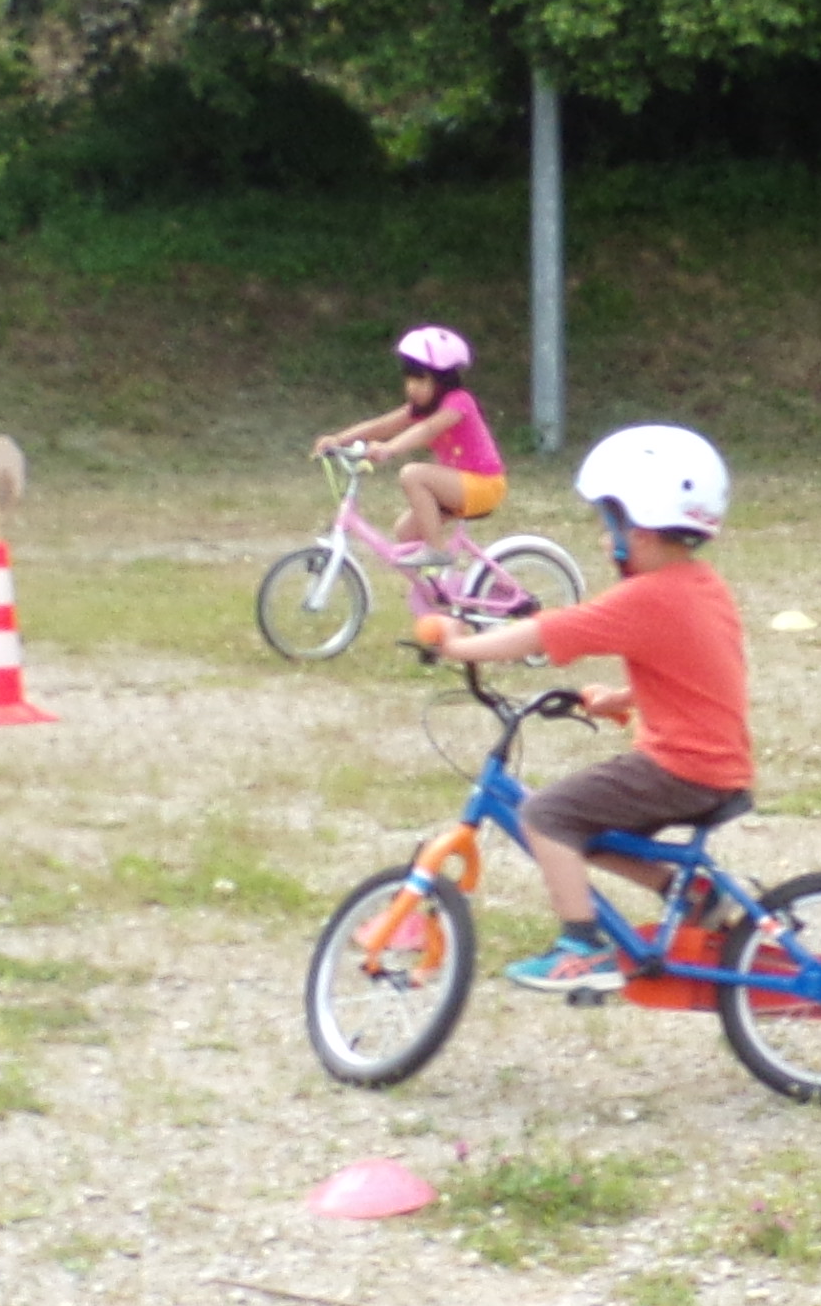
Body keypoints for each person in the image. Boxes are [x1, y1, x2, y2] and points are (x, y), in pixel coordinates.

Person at [416, 424, 748, 1002]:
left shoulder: (645, 596)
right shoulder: (699, 584)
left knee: (545, 815)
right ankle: (693, 896)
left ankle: (581, 948)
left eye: (606, 522)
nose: (603, 538)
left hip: (683, 766)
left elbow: (547, 631)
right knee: (586, 830)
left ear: (636, 526)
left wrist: (459, 644)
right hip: (714, 764)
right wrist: (625, 699)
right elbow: (702, 671)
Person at [312, 325, 507, 558]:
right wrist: (337, 440)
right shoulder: (423, 409)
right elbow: (381, 425)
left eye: (420, 380)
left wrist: (389, 448)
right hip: (457, 487)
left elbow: (427, 429)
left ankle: (437, 551)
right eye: (408, 380)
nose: (411, 387)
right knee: (406, 532)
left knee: (412, 474)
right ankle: (438, 593)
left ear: (441, 380)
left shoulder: (459, 402)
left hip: (484, 485)